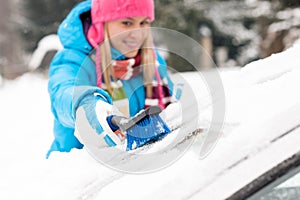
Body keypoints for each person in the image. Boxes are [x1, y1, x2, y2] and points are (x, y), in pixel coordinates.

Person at [46, 0, 177, 158]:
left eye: (143, 22)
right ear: (103, 24)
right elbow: (62, 91)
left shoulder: (152, 61)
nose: (137, 33)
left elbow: (173, 106)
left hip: (136, 164)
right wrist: (85, 103)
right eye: (127, 23)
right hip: (80, 173)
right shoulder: (74, 60)